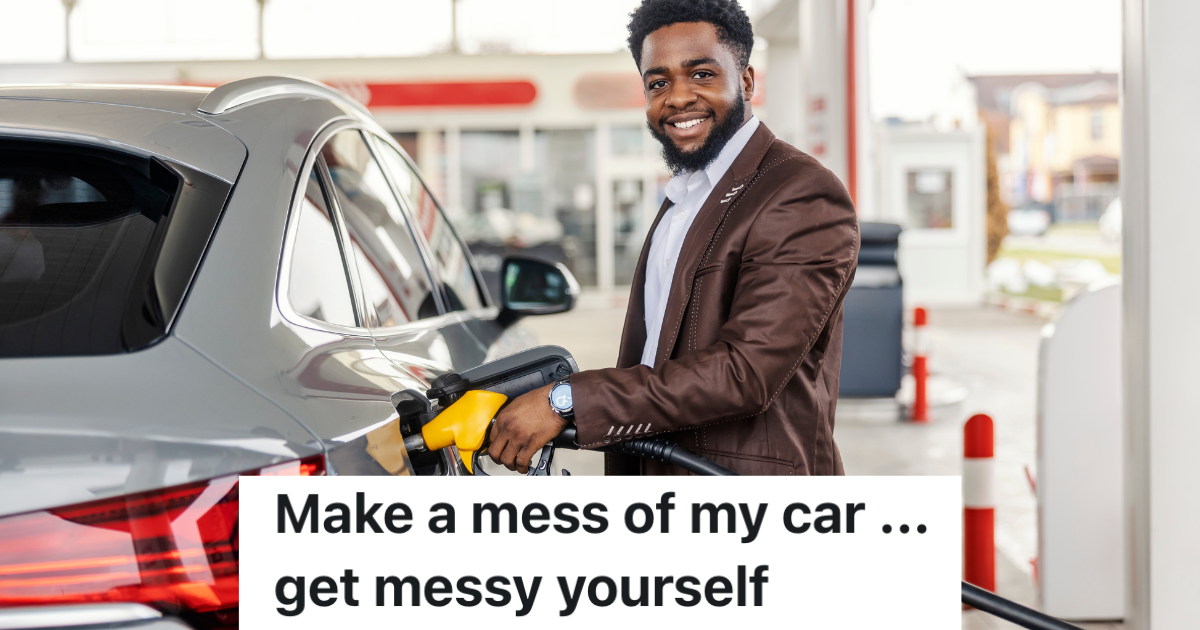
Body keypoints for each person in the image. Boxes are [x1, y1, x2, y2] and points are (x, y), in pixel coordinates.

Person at [487, 0, 859, 475]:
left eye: (701, 74)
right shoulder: (685, 196)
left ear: (746, 81)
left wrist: (567, 401)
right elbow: (654, 357)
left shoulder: (799, 192)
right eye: (658, 83)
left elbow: (746, 373)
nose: (678, 98)